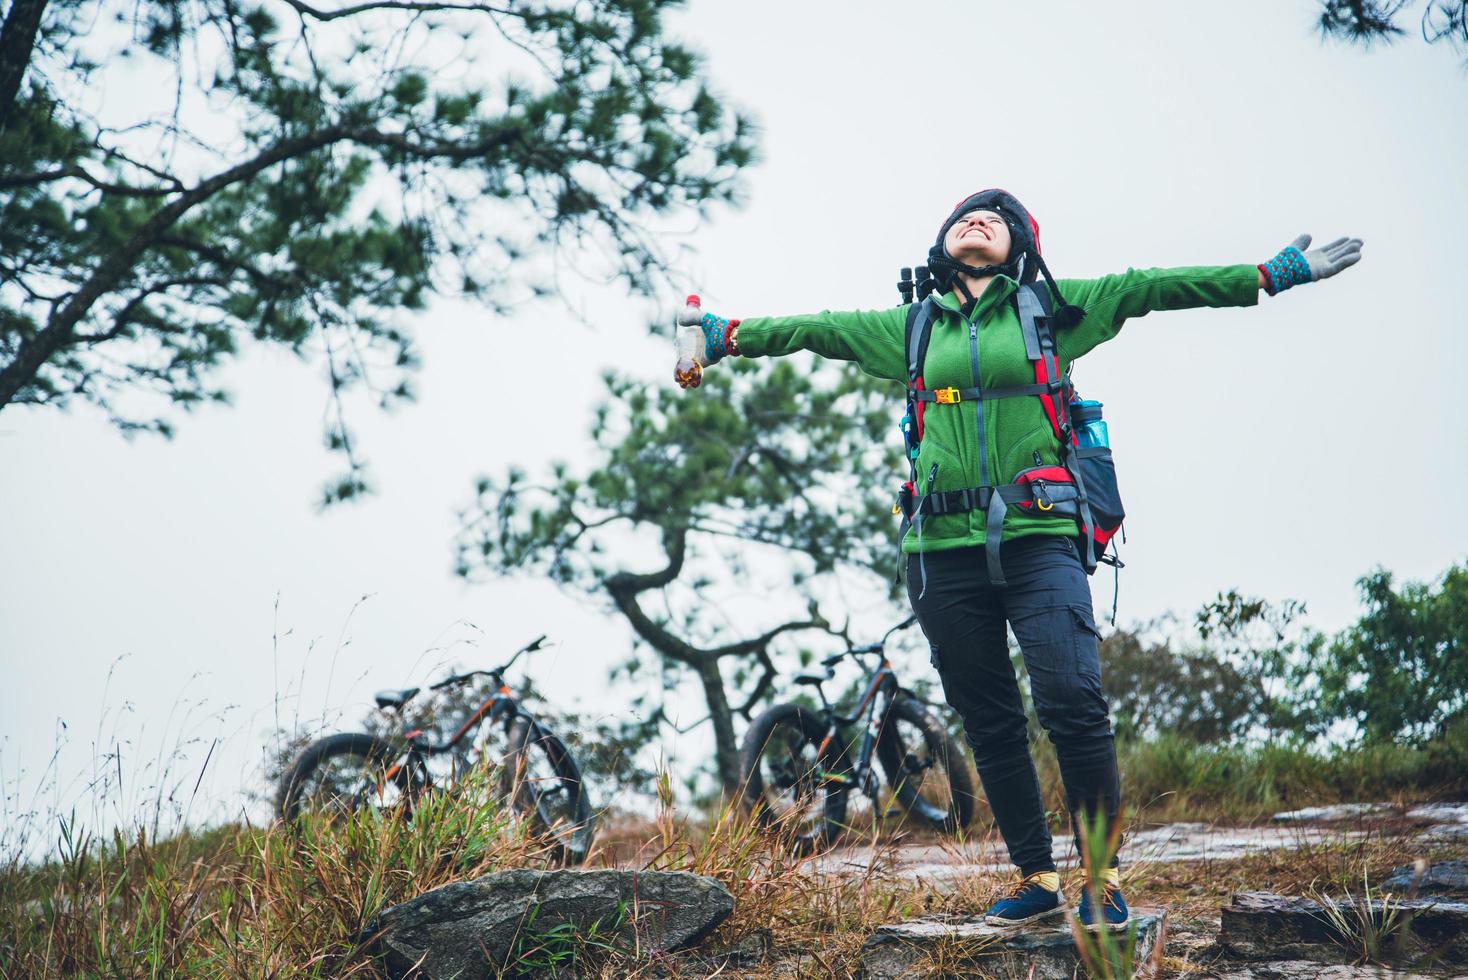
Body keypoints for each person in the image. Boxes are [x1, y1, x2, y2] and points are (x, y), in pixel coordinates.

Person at [674, 188, 1362, 931]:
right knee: (991, 721)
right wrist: (725, 335)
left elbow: (1152, 287)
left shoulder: (1054, 311)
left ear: (1021, 247)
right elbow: (817, 330)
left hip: (1040, 538)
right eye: (965, 216)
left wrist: (1265, 276)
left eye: (996, 218)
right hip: (941, 551)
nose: (977, 219)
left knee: (1072, 700)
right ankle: (1035, 877)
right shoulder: (911, 328)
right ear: (944, 245)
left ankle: (1102, 880)